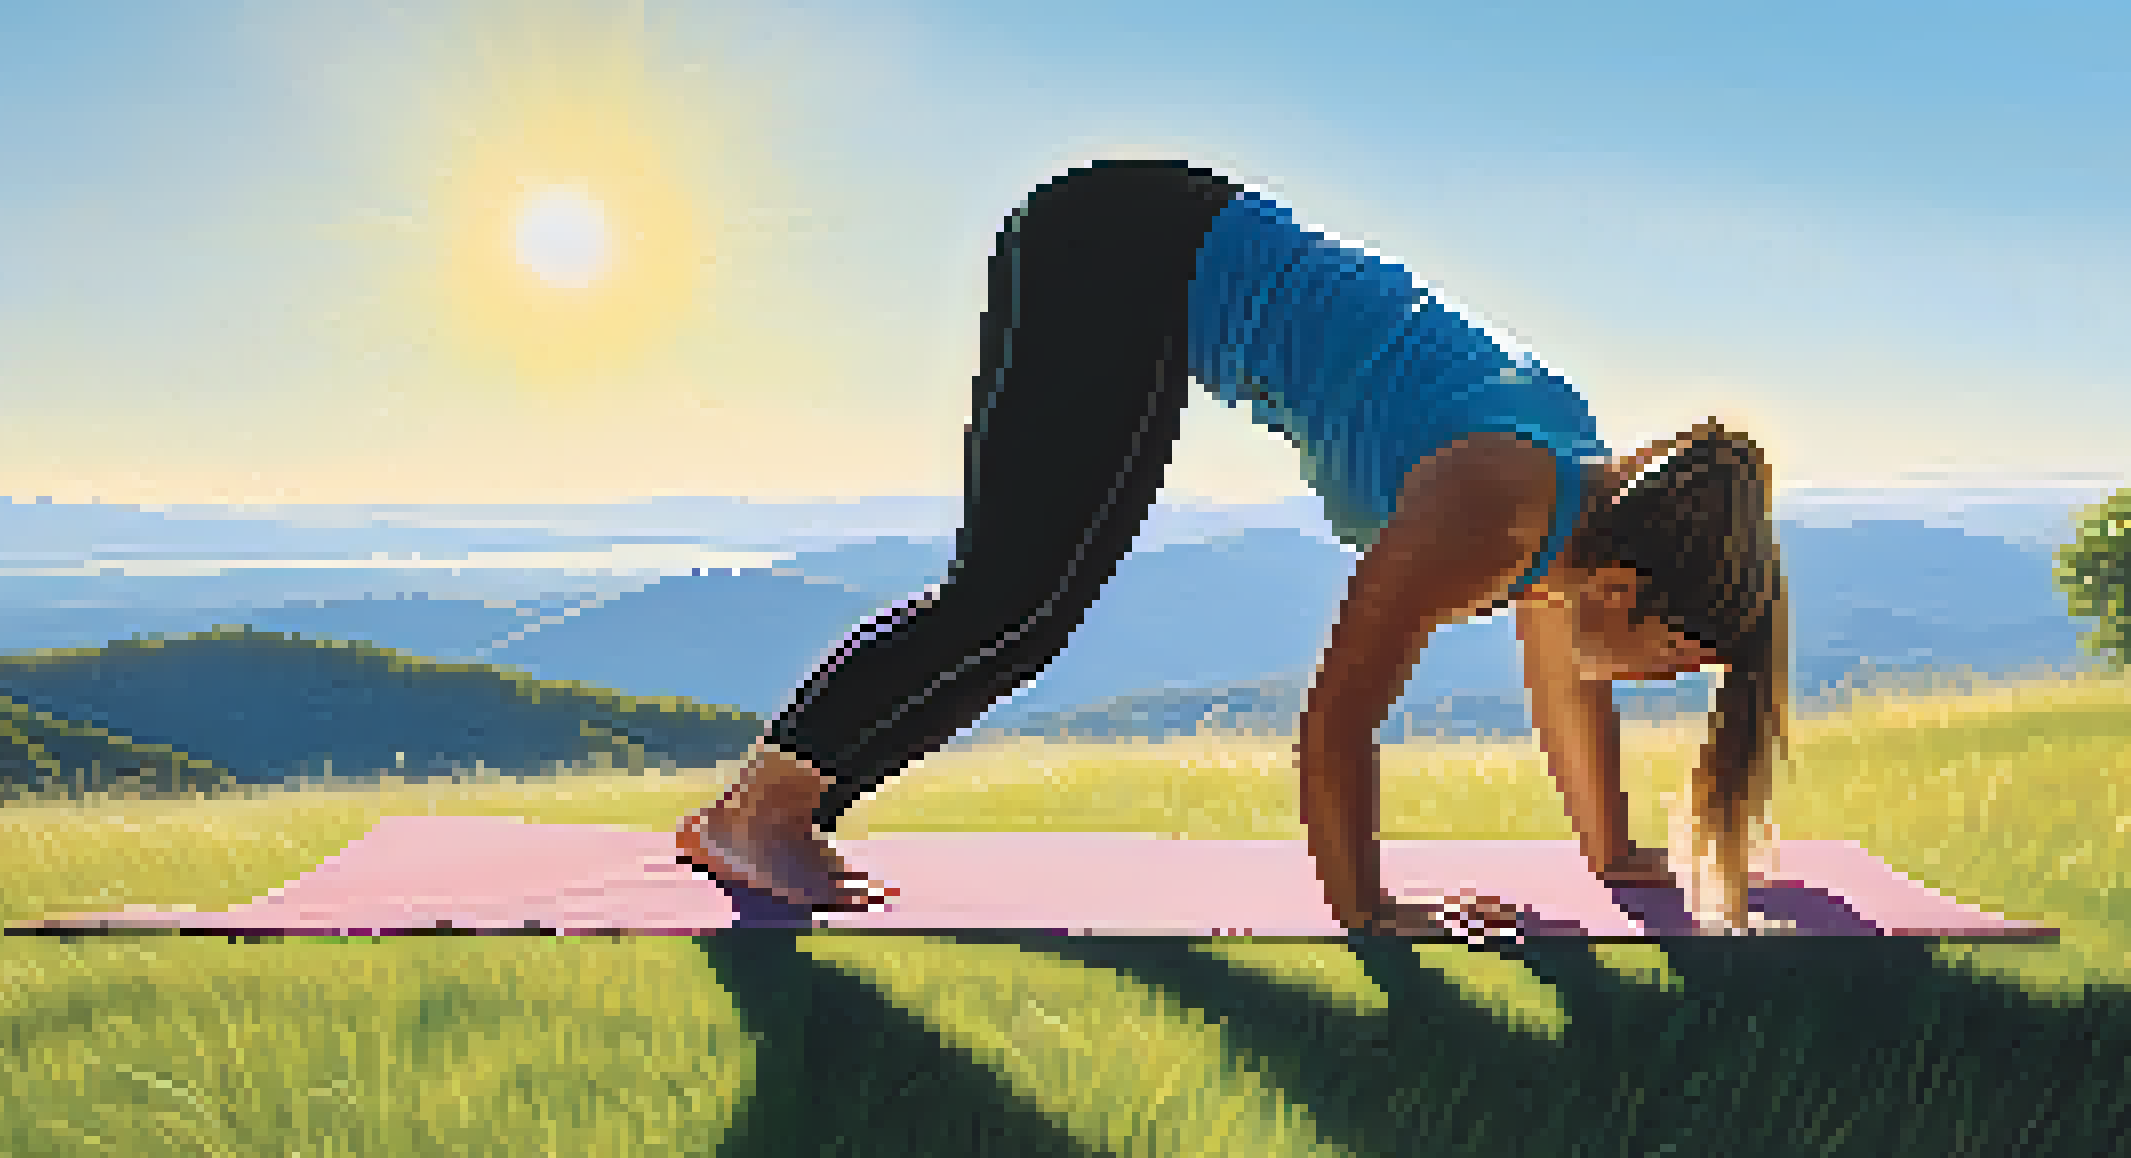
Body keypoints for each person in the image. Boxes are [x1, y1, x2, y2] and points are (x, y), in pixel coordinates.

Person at [677, 160, 1791, 936]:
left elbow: (1567, 684)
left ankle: (768, 809)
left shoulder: (1575, 515)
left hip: (1156, 251)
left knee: (1025, 607)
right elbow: (1341, 714)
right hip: (1122, 249)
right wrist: (1371, 910)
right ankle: (754, 816)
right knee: (1013, 600)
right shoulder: (1492, 501)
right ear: (1627, 589)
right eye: (1681, 662)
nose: (1668, 683)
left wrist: (1613, 852)